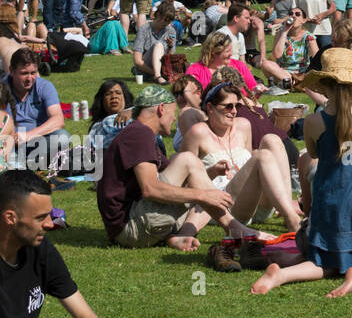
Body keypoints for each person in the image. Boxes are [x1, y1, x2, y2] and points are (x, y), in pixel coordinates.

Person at [252, 49, 352, 297]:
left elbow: (312, 153)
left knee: (322, 262)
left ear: (323, 86)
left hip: (327, 205)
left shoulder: (314, 122)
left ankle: (282, 274)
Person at [97, 84, 265, 253]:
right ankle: (234, 227)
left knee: (192, 167)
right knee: (186, 160)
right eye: (173, 113)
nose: (174, 119)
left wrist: (211, 173)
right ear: (161, 109)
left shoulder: (141, 133)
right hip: (130, 227)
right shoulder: (139, 133)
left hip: (135, 223)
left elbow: (182, 182)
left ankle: (185, 235)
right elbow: (150, 189)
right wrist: (203, 195)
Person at [182, 82, 302, 232]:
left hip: (255, 204)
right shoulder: (198, 133)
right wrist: (212, 171)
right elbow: (184, 184)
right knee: (261, 156)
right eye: (228, 106)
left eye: (237, 106)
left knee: (272, 139)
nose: (234, 111)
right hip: (224, 209)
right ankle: (292, 220)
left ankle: (287, 208)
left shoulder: (243, 126)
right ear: (210, 107)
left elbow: (247, 166)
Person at [0, 171, 102, 318]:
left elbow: (86, 316)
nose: (50, 224)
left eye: (50, 215)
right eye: (40, 217)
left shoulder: (40, 249)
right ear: (10, 219)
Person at [6, 49, 69, 169]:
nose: (30, 78)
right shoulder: (3, 90)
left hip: (37, 141)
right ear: (12, 71)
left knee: (63, 137)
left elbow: (58, 120)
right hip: (9, 144)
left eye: (33, 73)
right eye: (24, 73)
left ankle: (21, 164)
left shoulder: (44, 86)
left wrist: (28, 135)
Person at [132, 2, 179, 84]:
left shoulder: (170, 31)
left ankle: (158, 76)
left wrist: (171, 46)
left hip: (162, 69)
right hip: (144, 70)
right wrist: (157, 73)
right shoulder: (144, 29)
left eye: (168, 21)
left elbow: (170, 60)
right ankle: (158, 76)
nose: (165, 23)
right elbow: (137, 61)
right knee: (158, 45)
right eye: (164, 20)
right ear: (158, 14)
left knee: (160, 46)